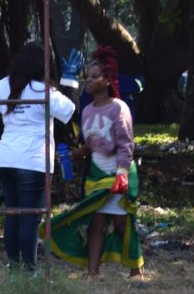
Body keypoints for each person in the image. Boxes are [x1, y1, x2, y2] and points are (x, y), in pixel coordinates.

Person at [44, 46, 144, 277]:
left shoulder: (119, 108)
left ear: (108, 80)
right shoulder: (87, 110)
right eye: (87, 77)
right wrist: (75, 154)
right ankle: (92, 272)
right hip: (96, 174)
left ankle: (136, 269)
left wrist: (122, 174)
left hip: (119, 173)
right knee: (95, 222)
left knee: (121, 223)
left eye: (95, 77)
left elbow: (126, 144)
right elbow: (91, 144)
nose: (89, 81)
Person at [0, 42, 76, 271]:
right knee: (30, 218)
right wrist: (70, 81)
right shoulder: (45, 91)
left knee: (13, 214)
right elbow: (70, 111)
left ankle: (14, 268)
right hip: (32, 162)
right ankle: (29, 271)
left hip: (4, 160)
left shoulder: (6, 85)